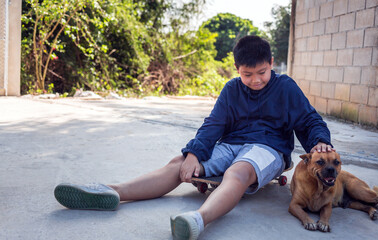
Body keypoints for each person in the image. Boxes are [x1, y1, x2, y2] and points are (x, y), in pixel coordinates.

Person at [54, 35, 333, 240]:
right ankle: (113, 191)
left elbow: (308, 120)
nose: (256, 80)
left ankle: (198, 220)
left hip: (268, 148)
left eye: (262, 72)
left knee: (238, 172)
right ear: (237, 69)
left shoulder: (285, 86)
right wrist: (194, 154)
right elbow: (214, 124)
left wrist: (319, 140)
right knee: (180, 163)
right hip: (232, 143)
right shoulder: (231, 90)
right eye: (248, 74)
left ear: (271, 63)